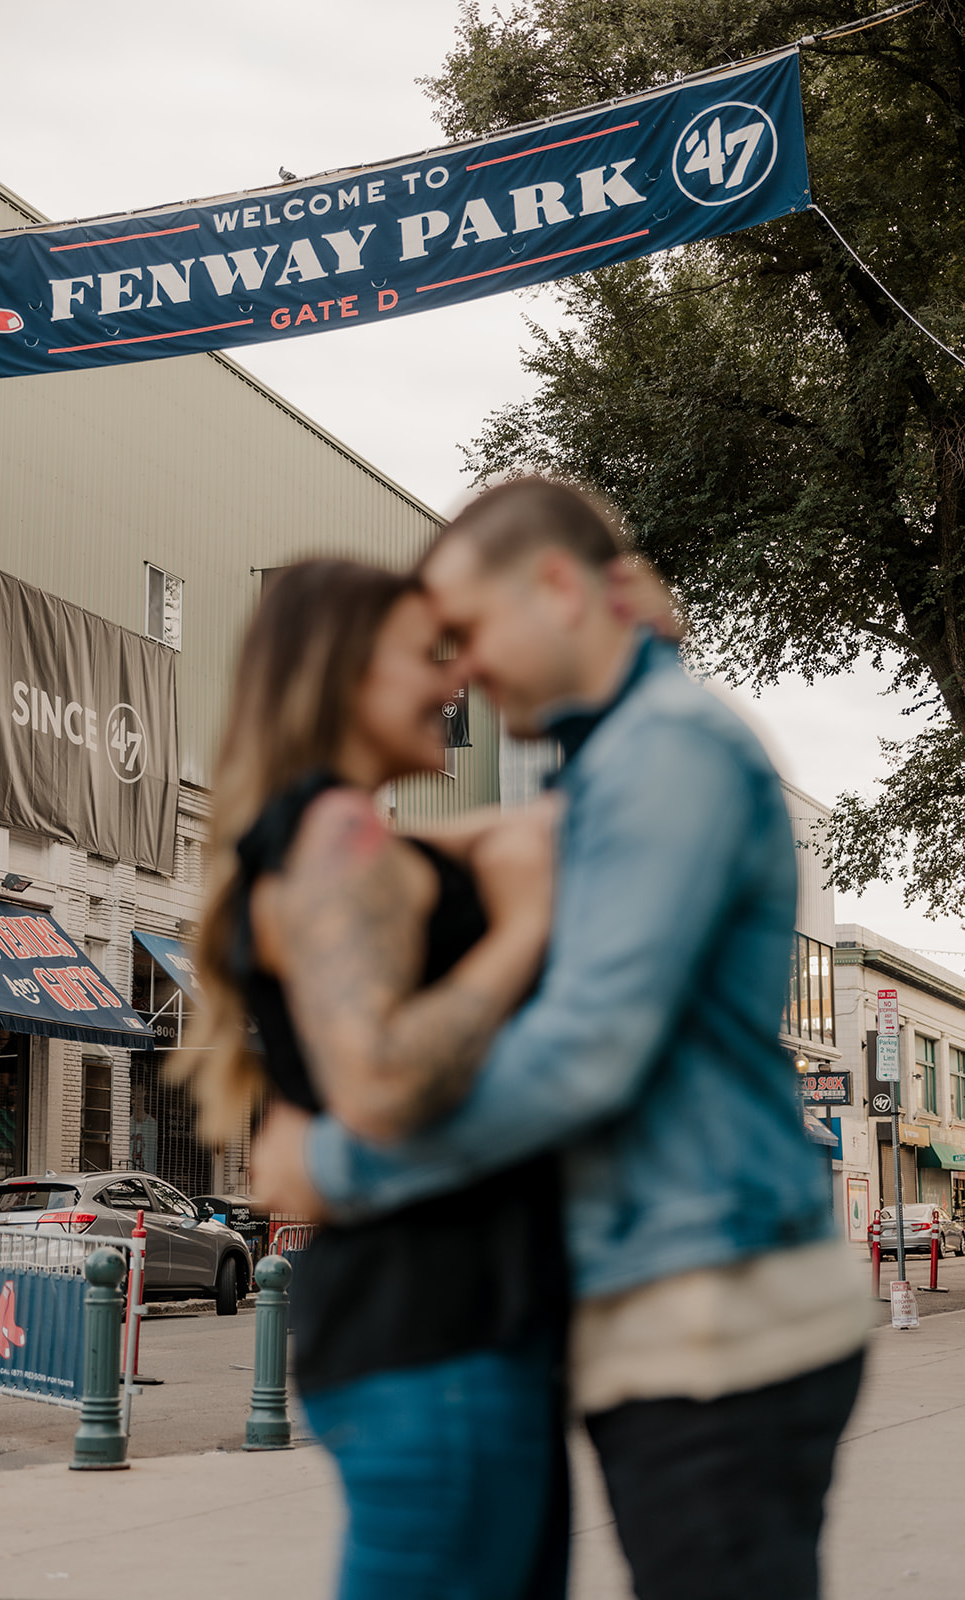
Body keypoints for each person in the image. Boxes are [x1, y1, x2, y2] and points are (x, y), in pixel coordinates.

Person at [253, 479, 871, 1600]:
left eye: (469, 632)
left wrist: (343, 1164)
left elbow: (589, 1047)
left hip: (712, 1319)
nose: (466, 674)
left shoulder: (663, 751)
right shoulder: (624, 759)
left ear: (553, 588)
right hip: (668, 1314)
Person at [182, 557, 571, 1600]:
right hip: (436, 1336)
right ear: (347, 668)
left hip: (433, 1332)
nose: (454, 681)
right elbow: (383, 1078)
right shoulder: (335, 836)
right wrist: (523, 928)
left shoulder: (330, 831)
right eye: (426, 654)